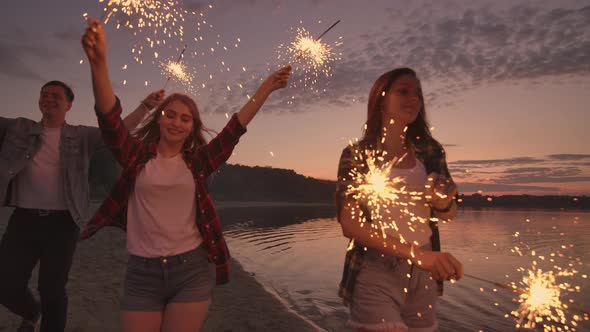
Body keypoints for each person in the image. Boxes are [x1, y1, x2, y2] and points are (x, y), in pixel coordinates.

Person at [80, 18, 291, 332]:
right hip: (141, 273)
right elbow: (110, 123)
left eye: (185, 119)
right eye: (170, 115)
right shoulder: (137, 155)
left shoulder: (199, 162)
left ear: (192, 127)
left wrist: (266, 88)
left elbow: (234, 129)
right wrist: (99, 65)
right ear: (160, 118)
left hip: (189, 270)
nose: (176, 122)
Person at [0, 79, 164, 332]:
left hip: (63, 223)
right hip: (23, 220)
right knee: (6, 284)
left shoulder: (81, 136)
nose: (49, 99)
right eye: (44, 94)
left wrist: (145, 106)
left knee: (51, 289)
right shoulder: (19, 128)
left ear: (69, 104)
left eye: (56, 96)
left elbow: (117, 129)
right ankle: (32, 312)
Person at [336, 68, 464, 332]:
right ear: (381, 98)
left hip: (425, 274)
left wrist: (442, 202)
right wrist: (418, 256)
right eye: (403, 91)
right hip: (375, 269)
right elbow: (350, 224)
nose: (414, 98)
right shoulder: (357, 154)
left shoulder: (430, 150)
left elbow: (449, 212)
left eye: (417, 93)